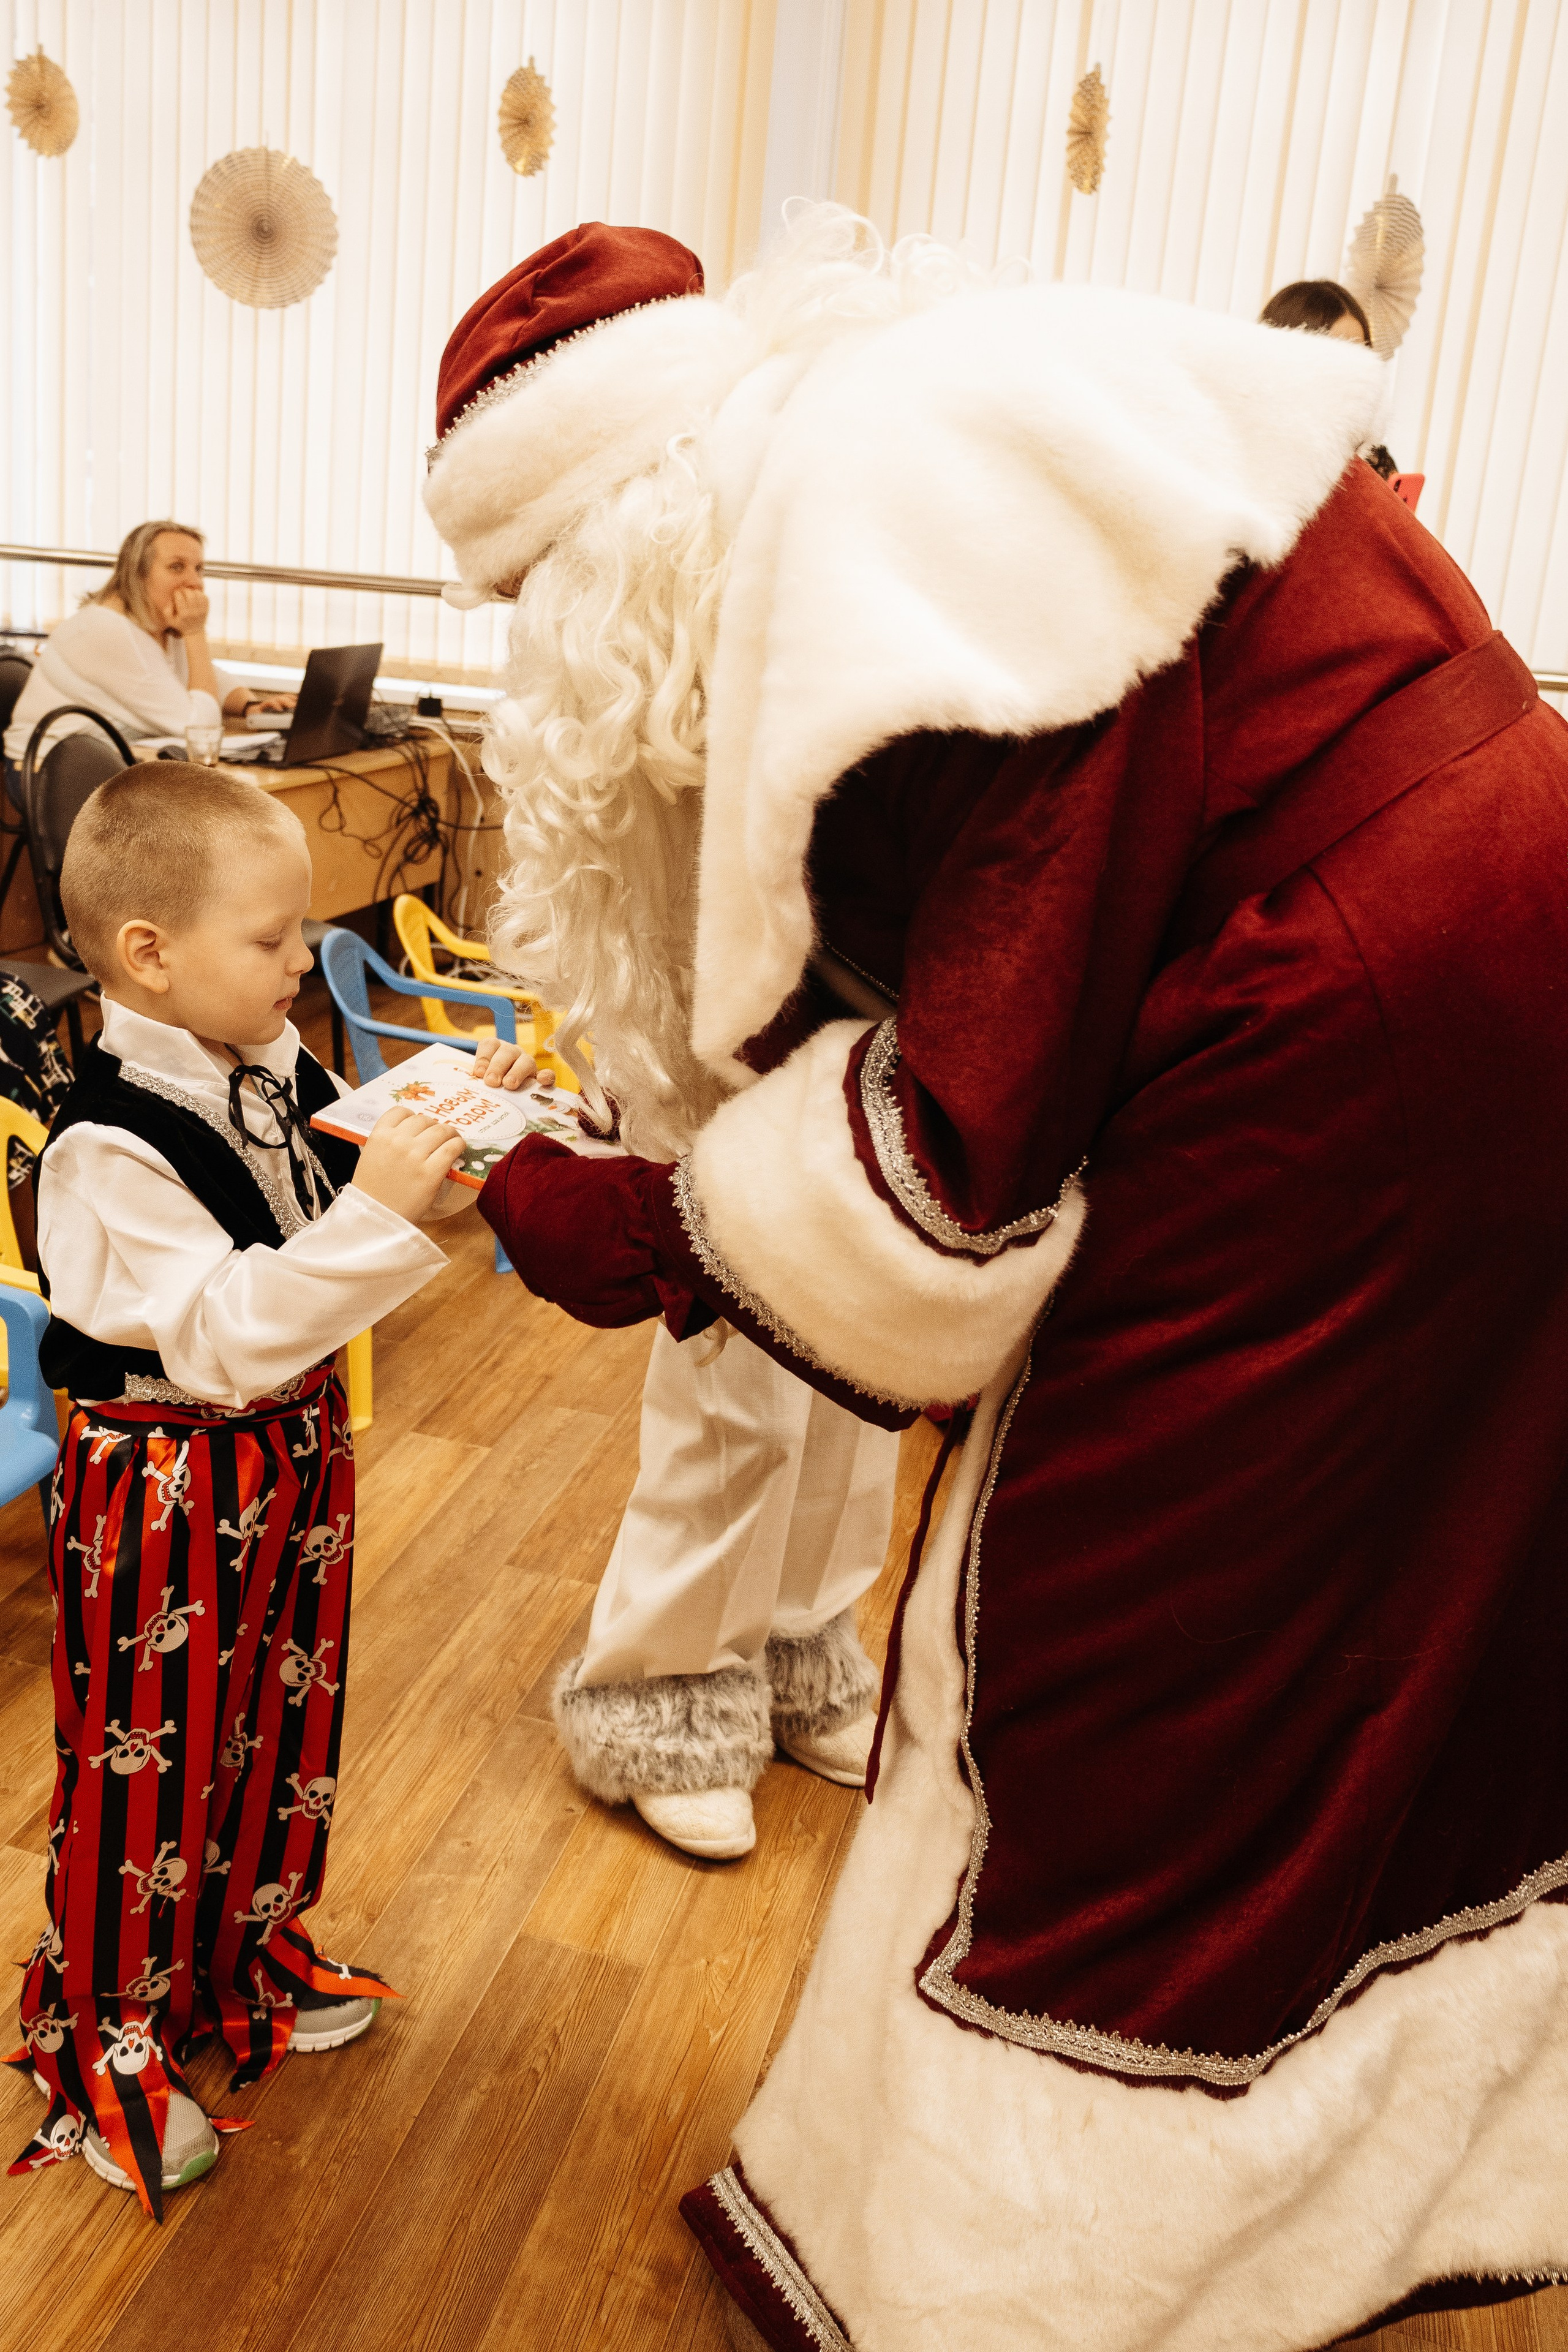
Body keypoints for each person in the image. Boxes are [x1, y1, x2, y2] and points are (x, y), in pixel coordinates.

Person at [426, 206, 1568, 2349]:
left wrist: (641, 1230)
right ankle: (1330, 2189)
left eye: (529, 601)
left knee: (1128, 1650)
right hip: (1468, 980)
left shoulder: (876, 523)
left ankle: (1024, 2288)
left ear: (607, 538)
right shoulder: (930, 424)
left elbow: (958, 1154)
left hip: (1343, 1039)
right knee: (1375, 1621)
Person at [430, 224, 900, 1866]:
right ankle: (662, 1688)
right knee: (732, 1391)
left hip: (853, 1024)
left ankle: (798, 1648)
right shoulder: (664, 638)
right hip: (705, 1041)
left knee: (857, 1370)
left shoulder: (811, 569)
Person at [6, 763, 468, 2219]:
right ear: (150, 951)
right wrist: (390, 1205)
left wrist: (455, 1125)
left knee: (278, 1721)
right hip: (160, 1477)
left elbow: (342, 1196)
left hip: (293, 1450)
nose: (300, 966)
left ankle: (242, 1946)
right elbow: (222, 1327)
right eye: (276, 941)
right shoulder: (104, 1141)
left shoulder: (274, 1063)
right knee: (149, 1766)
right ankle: (105, 2032)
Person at [3, 521, 294, 777]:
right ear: (137, 574)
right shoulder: (105, 631)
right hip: (51, 775)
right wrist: (195, 632)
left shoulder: (154, 624)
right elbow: (198, 732)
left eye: (199, 569)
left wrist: (249, 706)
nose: (194, 582)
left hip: (112, 762)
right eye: (177, 567)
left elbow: (201, 674)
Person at [1261, 278, 1400, 477]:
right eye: (1337, 357)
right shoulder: (1249, 453)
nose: (1351, 374)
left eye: (1359, 357)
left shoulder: (1373, 461)